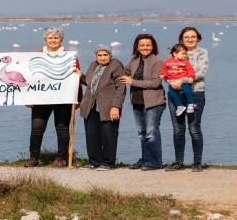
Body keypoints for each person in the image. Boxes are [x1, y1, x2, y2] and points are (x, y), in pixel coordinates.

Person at [24, 26, 79, 168]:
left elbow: (76, 77)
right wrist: (27, 97)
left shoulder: (70, 56)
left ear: (61, 40)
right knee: (37, 128)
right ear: (45, 39)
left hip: (63, 98)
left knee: (62, 128)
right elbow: (29, 78)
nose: (53, 40)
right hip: (41, 99)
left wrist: (77, 97)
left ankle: (61, 158)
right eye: (50, 37)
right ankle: (33, 158)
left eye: (56, 38)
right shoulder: (36, 55)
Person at [119, 34, 166, 171]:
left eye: (148, 45)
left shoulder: (157, 61)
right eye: (142, 45)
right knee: (142, 132)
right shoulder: (134, 60)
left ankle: (154, 162)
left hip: (154, 102)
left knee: (152, 132)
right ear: (137, 47)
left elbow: (156, 82)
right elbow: (123, 72)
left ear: (153, 46)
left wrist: (132, 82)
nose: (145, 47)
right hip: (137, 101)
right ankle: (145, 159)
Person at [165, 27, 209, 172]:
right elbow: (167, 72)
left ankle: (197, 162)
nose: (190, 39)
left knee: (194, 128)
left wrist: (181, 80)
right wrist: (171, 82)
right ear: (181, 39)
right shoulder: (174, 53)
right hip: (175, 94)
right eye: (186, 37)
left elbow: (201, 72)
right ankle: (179, 161)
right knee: (178, 129)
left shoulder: (202, 53)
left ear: (198, 38)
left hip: (195, 93)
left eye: (193, 36)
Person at [77, 44, 126, 170]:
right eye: (100, 55)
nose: (103, 58)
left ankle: (108, 163)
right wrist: (80, 75)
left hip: (108, 105)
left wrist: (116, 106)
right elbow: (88, 82)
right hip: (90, 105)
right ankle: (94, 161)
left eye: (105, 55)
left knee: (109, 134)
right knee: (92, 134)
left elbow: (120, 87)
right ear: (96, 56)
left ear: (110, 55)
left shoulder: (116, 65)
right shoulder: (93, 65)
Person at [161, 44, 196, 117]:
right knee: (172, 94)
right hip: (172, 82)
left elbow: (190, 70)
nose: (185, 55)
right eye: (183, 54)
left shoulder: (185, 62)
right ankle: (180, 106)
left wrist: (191, 77)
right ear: (174, 54)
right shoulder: (168, 61)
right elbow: (164, 69)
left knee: (187, 91)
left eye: (186, 54)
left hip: (184, 81)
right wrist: (163, 75)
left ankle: (190, 104)